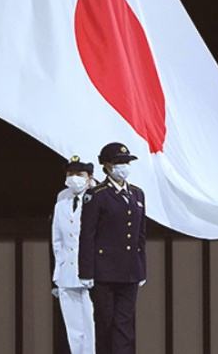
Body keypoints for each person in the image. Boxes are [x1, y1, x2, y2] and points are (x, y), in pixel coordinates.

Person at [78, 143, 147, 354]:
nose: (124, 167)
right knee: (106, 323)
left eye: (126, 162)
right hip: (104, 272)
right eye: (118, 163)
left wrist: (141, 268)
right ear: (106, 165)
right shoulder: (97, 195)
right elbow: (87, 235)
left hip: (129, 271)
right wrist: (86, 271)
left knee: (125, 326)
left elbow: (140, 235)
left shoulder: (137, 194)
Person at [52, 156, 98, 354]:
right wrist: (57, 274)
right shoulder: (61, 203)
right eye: (70, 174)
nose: (74, 178)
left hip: (91, 274)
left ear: (89, 177)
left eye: (79, 174)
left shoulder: (98, 198)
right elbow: (58, 242)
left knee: (92, 327)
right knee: (73, 329)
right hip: (67, 274)